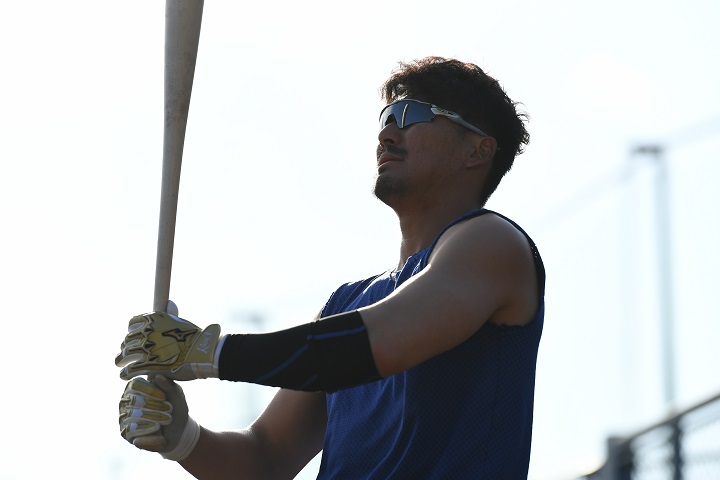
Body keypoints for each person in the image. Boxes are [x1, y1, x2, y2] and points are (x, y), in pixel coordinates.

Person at [116, 56, 545, 479]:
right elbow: (265, 458)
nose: (387, 134)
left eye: (412, 115)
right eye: (386, 118)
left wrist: (205, 353)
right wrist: (182, 438)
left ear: (477, 150)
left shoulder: (493, 242)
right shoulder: (347, 304)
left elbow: (374, 344)